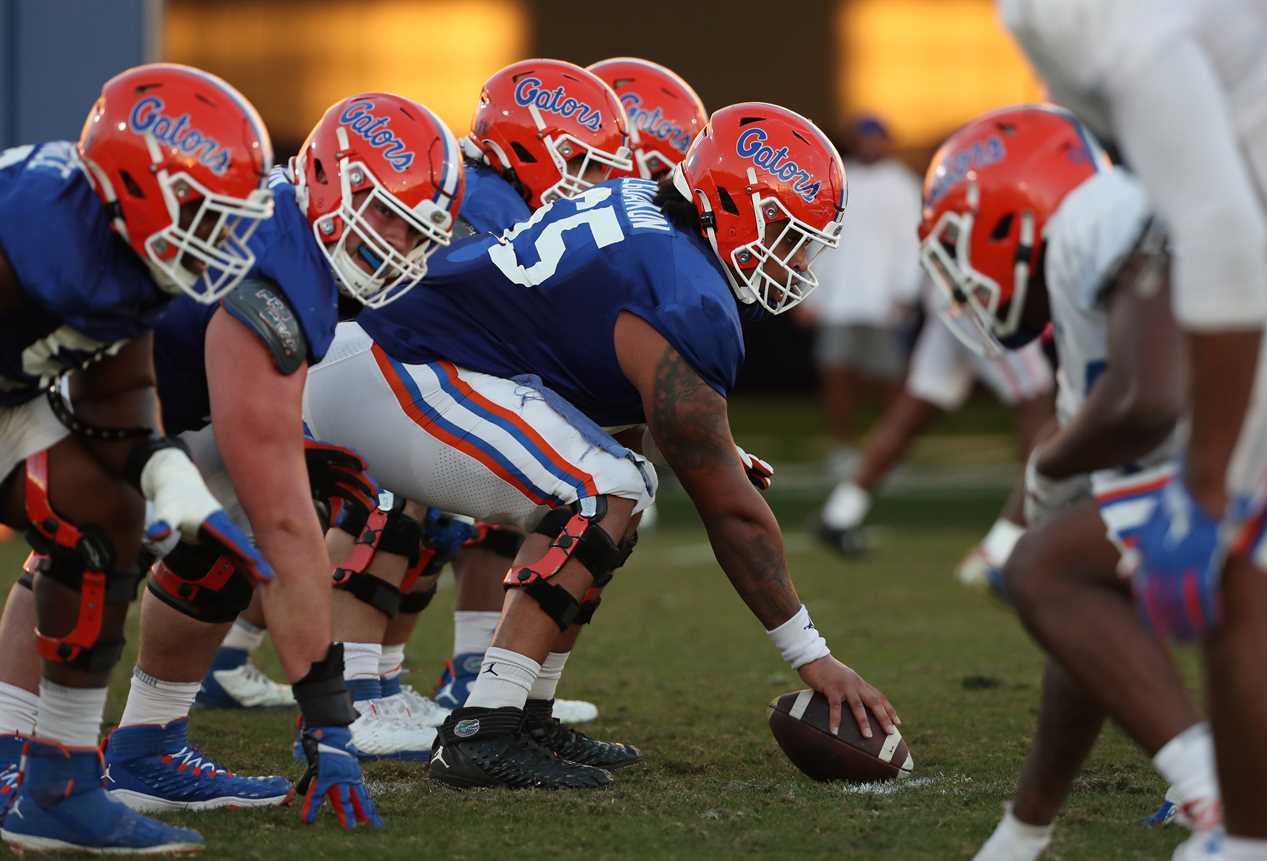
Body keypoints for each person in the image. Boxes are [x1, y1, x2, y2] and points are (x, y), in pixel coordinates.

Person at [303, 101, 901, 791]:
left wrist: (703, 441)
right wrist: (811, 654)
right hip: (396, 367)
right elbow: (731, 513)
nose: (795, 259)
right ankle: (484, 727)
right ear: (741, 207)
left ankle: (522, 709)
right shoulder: (688, 295)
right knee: (604, 488)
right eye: (791, 237)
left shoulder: (642, 202)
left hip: (399, 361)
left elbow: (599, 378)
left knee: (616, 483)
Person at [998, 5, 1267, 857]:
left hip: (1255, 265)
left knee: (1236, 566)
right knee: (1252, 579)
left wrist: (1205, 483)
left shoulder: (1083, 15)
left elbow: (1222, 235)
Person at [917, 105, 1220, 860]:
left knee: (1045, 565)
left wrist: (1051, 463)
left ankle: (1221, 797)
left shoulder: (1100, 214)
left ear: (1006, 210)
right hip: (1247, 459)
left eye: (960, 242)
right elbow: (1085, 633)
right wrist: (1024, 827)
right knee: (1065, 574)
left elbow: (1151, 399)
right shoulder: (1089, 264)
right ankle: (1041, 827)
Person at [0, 64, 277, 854]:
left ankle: (57, 785)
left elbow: (114, 401)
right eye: (209, 213)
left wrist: (162, 471)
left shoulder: (124, 246)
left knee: (103, 517)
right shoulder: (26, 230)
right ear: (140, 184)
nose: (221, 238)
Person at [429, 56, 709, 722]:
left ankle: (475, 672)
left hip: (434, 372)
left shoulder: (530, 203)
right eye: (591, 164)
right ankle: (368, 686)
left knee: (545, 495)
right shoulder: (497, 201)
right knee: (394, 513)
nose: (611, 183)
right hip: (406, 371)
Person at [815, 294, 1055, 580]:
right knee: (1037, 405)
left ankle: (840, 513)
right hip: (982, 301)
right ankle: (1006, 544)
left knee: (914, 409)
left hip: (951, 303)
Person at [795, 115, 922, 476]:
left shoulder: (902, 185)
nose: (870, 145)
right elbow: (818, 237)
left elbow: (911, 240)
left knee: (890, 380)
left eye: (876, 138)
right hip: (838, 300)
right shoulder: (837, 178)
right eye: (864, 138)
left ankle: (889, 453)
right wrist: (807, 294)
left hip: (883, 301)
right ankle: (844, 448)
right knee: (836, 375)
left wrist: (906, 290)